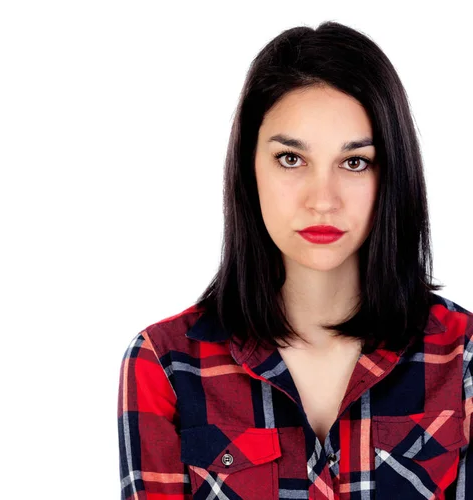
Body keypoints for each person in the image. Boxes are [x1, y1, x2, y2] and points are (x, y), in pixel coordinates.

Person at [117, 20, 473, 499]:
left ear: (391, 174)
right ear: (250, 168)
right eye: (291, 159)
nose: (322, 200)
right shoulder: (165, 364)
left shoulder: (463, 357)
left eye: (354, 162)